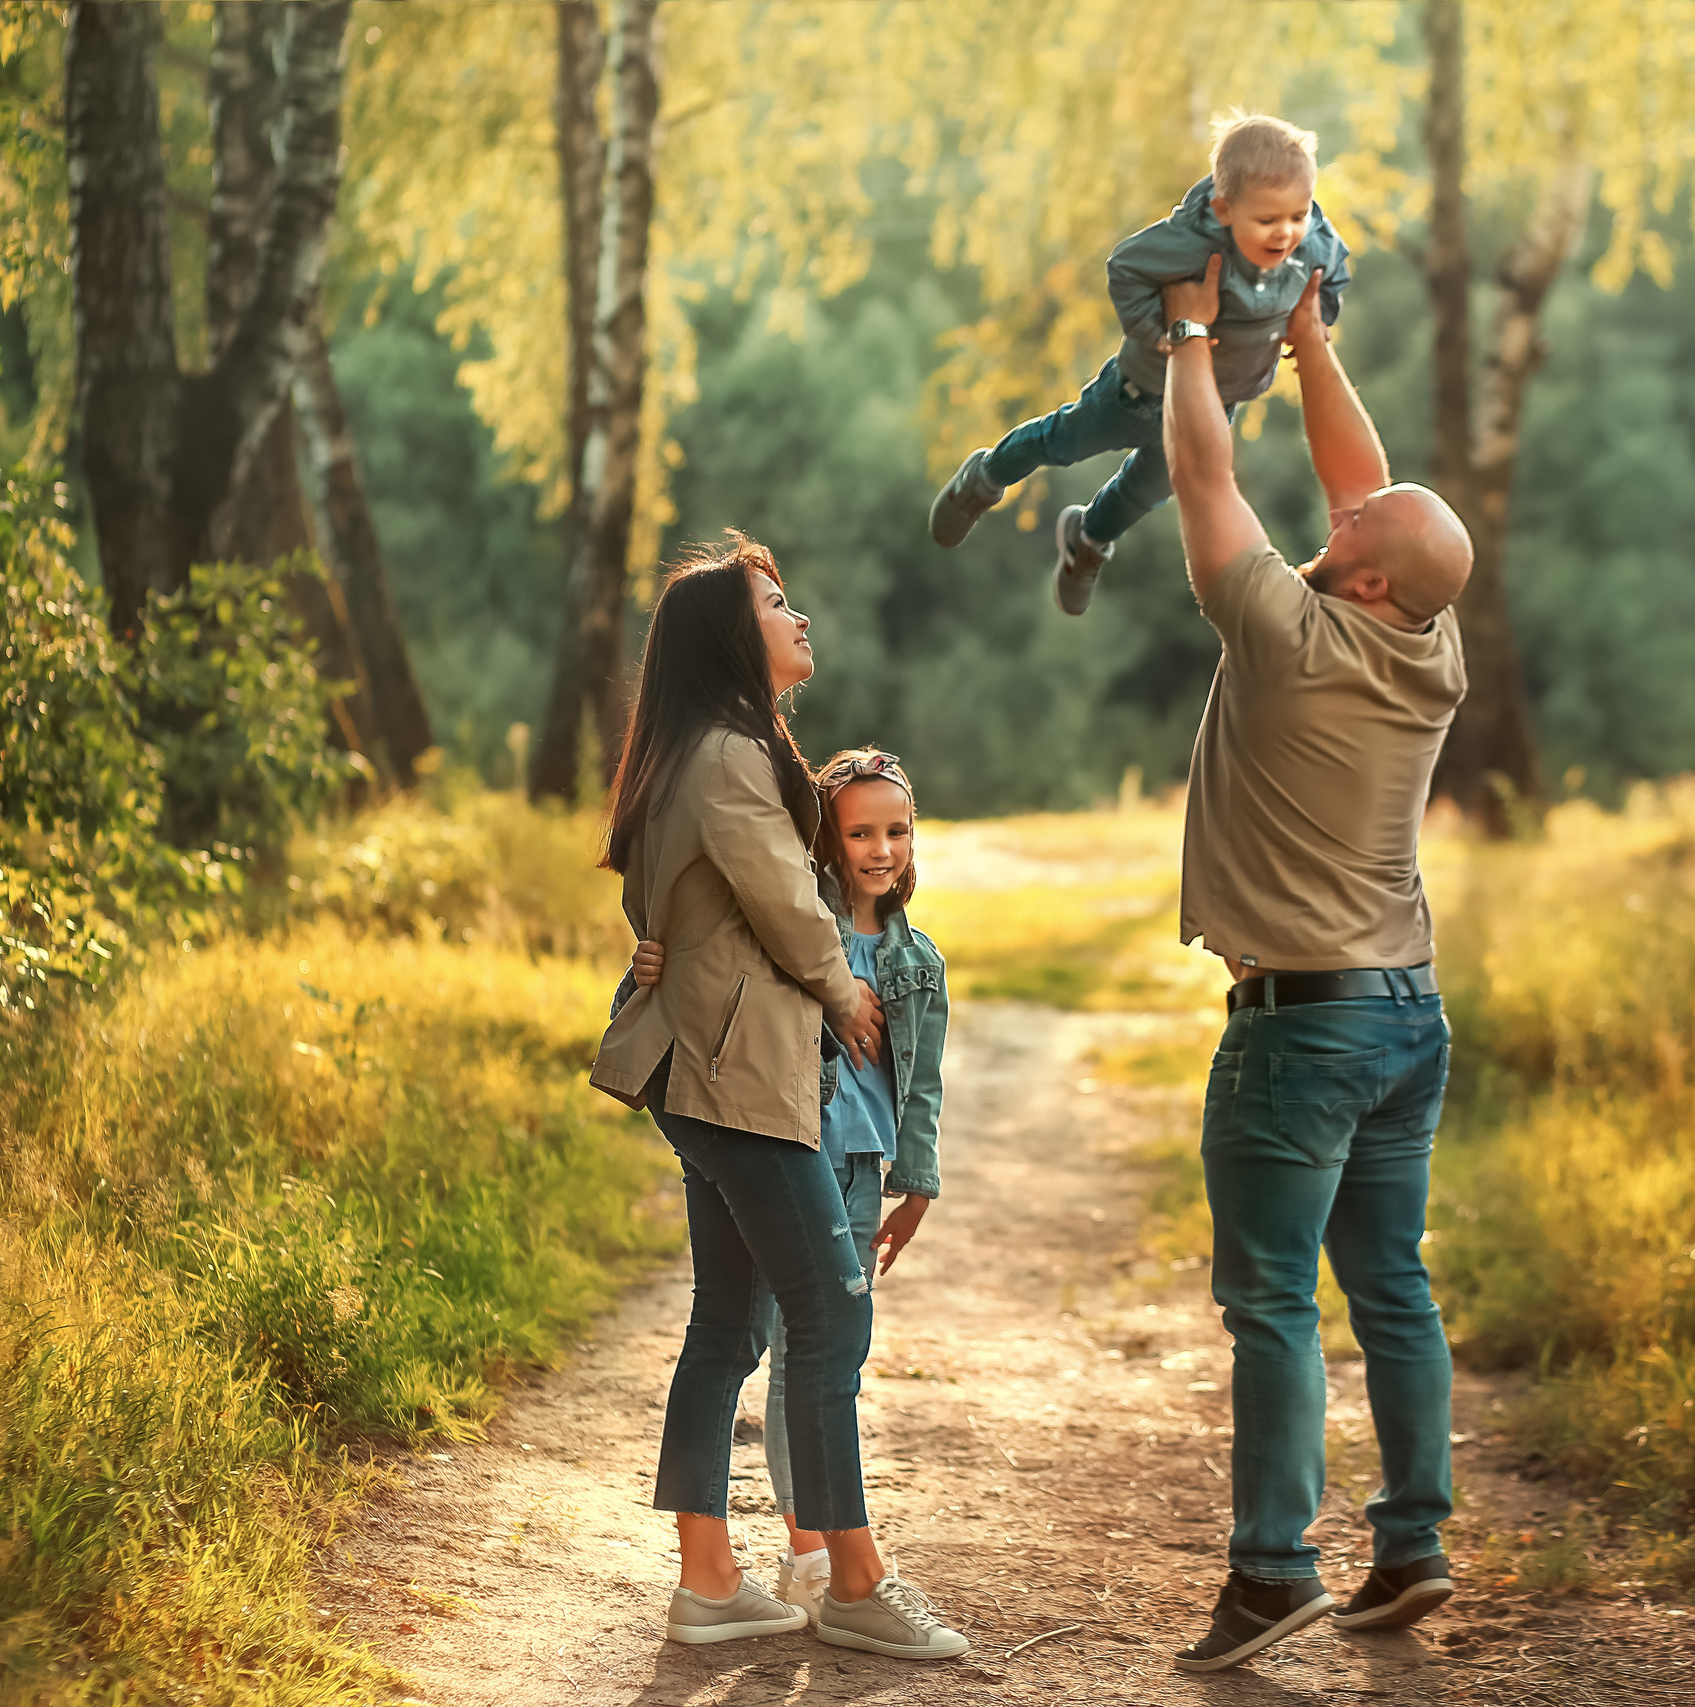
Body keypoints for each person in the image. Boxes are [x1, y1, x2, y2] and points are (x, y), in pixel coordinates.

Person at [1151, 257, 1476, 1674]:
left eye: (1356, 524)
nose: (1342, 510)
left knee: (1275, 1297)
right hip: (1407, 1013)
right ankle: (1411, 1542)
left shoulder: (1284, 636)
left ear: (1362, 570)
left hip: (1305, 1029)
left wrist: (1187, 334)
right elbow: (1377, 488)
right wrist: (1307, 342)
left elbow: (1199, 468)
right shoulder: (1430, 643)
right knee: (1391, 1281)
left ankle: (1272, 1566)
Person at [588, 536, 969, 1663]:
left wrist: (669, 954)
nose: (799, 618)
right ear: (728, 634)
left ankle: (710, 1579)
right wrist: (845, 987)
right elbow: (782, 901)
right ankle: (851, 1580)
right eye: (775, 603)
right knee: (832, 1313)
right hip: (742, 1085)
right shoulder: (727, 752)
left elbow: (680, 905)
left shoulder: (701, 750)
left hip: (709, 1078)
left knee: (728, 1326)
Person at [631, 748, 949, 1621]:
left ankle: (807, 1546)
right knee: (773, 1336)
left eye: (896, 830)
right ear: (825, 840)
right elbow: (708, 972)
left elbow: (922, 1083)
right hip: (782, 1147)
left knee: (819, 1354)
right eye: (859, 832)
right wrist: (648, 965)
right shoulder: (791, 931)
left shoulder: (919, 960)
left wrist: (915, 1178)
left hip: (856, 1168)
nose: (880, 848)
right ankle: (813, 1551)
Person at [927, 111, 1354, 618]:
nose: (1286, 233)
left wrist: (1315, 319)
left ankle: (1087, 540)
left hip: (1219, 400)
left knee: (1149, 489)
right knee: (1061, 441)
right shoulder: (1191, 242)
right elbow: (1124, 267)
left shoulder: (1311, 241)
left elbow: (1337, 269)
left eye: (1298, 216)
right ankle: (985, 477)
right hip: (1142, 388)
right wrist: (1155, 334)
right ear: (1222, 210)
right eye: (1267, 221)